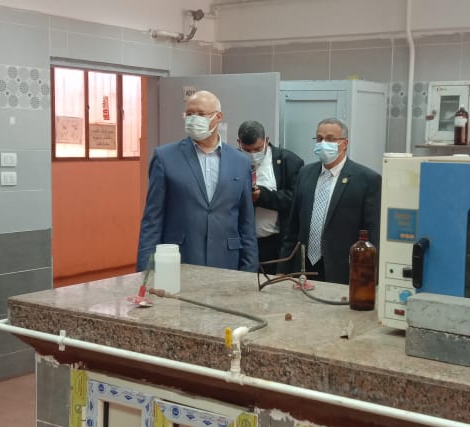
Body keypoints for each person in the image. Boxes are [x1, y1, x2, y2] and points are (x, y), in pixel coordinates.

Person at [136, 90, 258, 273]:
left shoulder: (240, 162)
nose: (194, 119)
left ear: (218, 117)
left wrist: (250, 269)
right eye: (189, 114)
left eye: (201, 114)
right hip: (178, 261)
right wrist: (145, 272)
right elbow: (152, 220)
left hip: (227, 262)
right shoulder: (165, 157)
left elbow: (246, 221)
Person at [279, 117, 381, 285]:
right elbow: (293, 227)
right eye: (319, 139)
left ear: (345, 143)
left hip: (341, 271)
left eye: (331, 139)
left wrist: (370, 279)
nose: (323, 143)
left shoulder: (367, 180)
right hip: (304, 268)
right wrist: (282, 269)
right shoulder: (305, 174)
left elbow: (373, 235)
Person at [236, 120, 304, 273]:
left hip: (274, 242)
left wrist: (262, 196)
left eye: (257, 149)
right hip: (241, 242)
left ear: (266, 140)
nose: (252, 154)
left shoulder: (289, 161)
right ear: (239, 143)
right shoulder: (231, 160)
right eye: (247, 150)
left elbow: (295, 199)